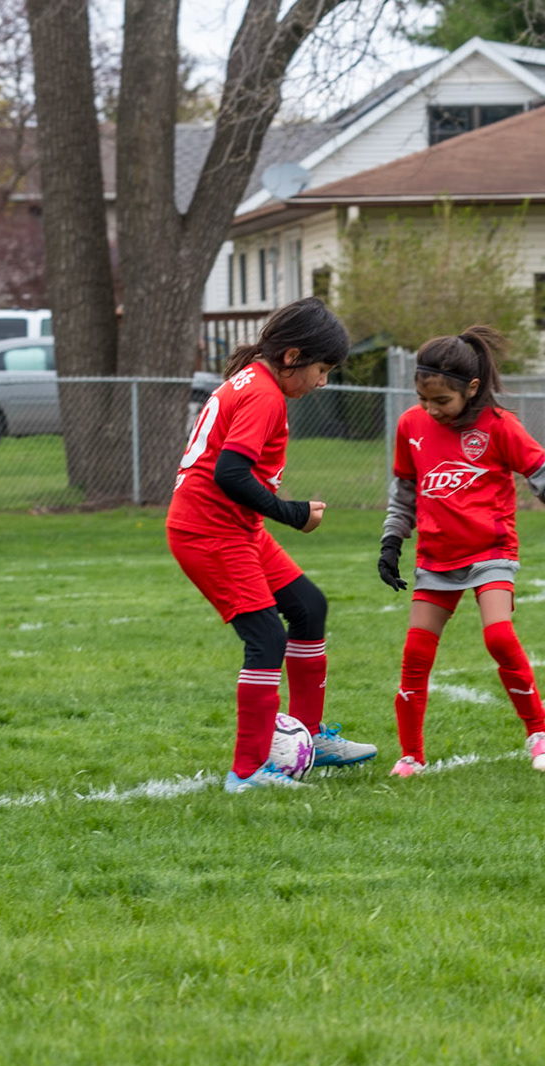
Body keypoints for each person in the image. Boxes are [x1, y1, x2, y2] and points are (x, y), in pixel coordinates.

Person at [166, 298, 376, 792]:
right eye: (321, 369)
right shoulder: (264, 395)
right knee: (266, 637)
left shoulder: (255, 382)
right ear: (292, 356)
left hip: (234, 527)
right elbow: (230, 474)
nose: (322, 381)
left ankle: (310, 735)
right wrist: (294, 514)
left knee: (308, 607)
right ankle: (247, 772)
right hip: (209, 530)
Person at [378, 326, 545, 777]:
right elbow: (404, 494)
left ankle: (540, 732)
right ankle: (411, 754)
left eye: (442, 402)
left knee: (499, 637)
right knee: (415, 656)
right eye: (423, 399)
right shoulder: (411, 424)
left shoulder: (499, 427)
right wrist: (392, 541)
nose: (431, 410)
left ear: (471, 389)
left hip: (490, 552)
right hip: (434, 559)